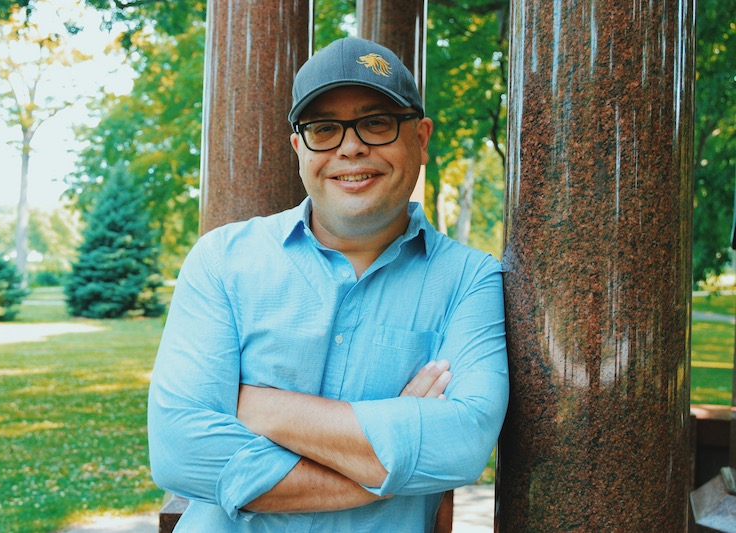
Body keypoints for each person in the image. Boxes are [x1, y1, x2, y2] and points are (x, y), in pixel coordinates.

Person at [148, 36, 508, 532]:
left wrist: (258, 406)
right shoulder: (221, 260)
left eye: (376, 123)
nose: (350, 146)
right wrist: (390, 462)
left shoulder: (471, 279)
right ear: (300, 148)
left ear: (421, 138)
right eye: (323, 129)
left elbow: (462, 446)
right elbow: (181, 452)